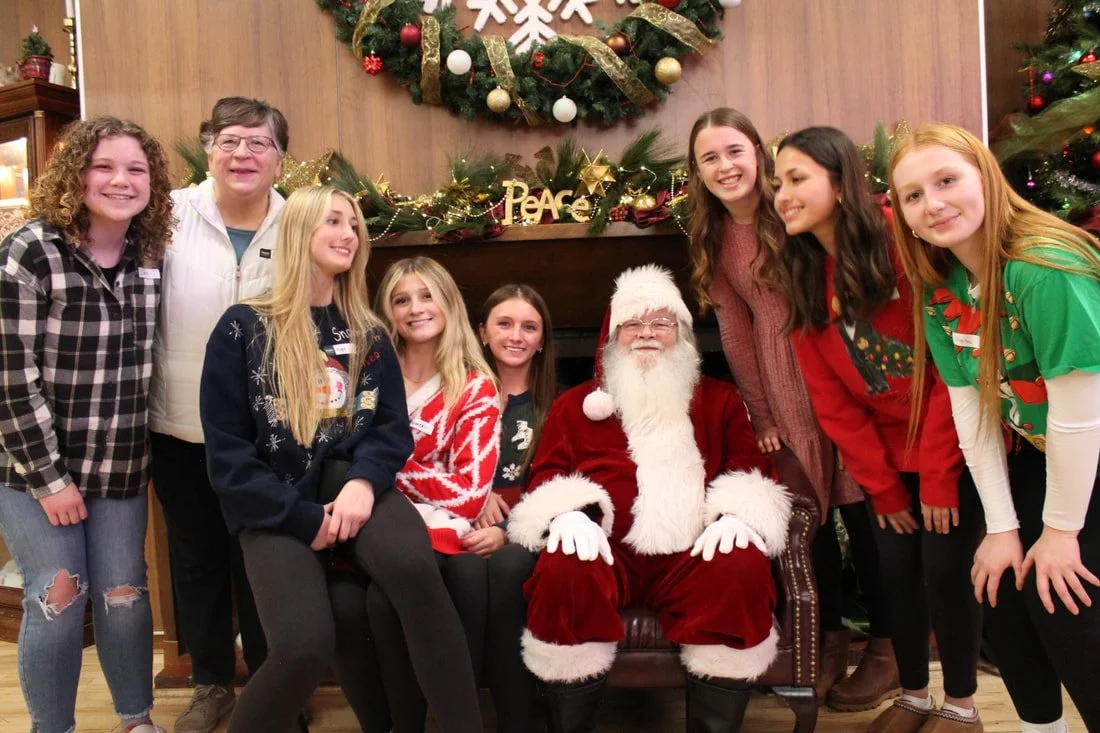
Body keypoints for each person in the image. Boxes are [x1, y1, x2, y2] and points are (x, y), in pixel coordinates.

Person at [199, 188, 482, 733]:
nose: (349, 234)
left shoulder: (369, 330)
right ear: (298, 231)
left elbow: (389, 431)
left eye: (353, 225)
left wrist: (363, 485)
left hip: (355, 486)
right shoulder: (242, 328)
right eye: (333, 221)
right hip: (275, 505)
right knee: (304, 647)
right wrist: (306, 521)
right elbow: (229, 459)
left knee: (416, 571)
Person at [507, 264, 792, 733]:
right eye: (633, 324)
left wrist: (739, 514)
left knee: (740, 567)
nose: (646, 334)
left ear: (680, 334)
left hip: (693, 555)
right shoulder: (574, 406)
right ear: (614, 335)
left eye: (661, 323)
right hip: (606, 552)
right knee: (563, 570)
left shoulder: (718, 400)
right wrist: (567, 513)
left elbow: (749, 468)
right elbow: (547, 474)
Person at [890, 122, 1100, 733]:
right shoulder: (940, 289)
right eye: (913, 195)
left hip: (1087, 434)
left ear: (985, 177)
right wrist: (1004, 529)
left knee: (1064, 596)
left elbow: (1081, 413)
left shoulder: (1044, 269)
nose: (933, 203)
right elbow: (972, 414)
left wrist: (1059, 533)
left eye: (947, 180)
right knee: (997, 583)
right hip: (1043, 445)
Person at [774, 126, 983, 732]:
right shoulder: (805, 272)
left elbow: (953, 369)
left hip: (953, 436)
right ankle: (914, 695)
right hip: (887, 458)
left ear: (840, 184)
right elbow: (832, 400)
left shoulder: (905, 240)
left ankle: (962, 706)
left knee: (946, 571)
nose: (782, 195)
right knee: (894, 572)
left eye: (796, 179)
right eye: (778, 183)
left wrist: (941, 476)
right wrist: (883, 486)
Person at [685, 107, 892, 708]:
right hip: (782, 388)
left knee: (866, 513)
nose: (726, 167)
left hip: (838, 370)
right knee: (810, 520)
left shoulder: (795, 207)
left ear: (758, 152)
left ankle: (884, 649)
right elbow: (737, 332)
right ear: (699, 172)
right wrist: (762, 412)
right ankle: (824, 642)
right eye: (710, 158)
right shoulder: (714, 237)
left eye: (734, 151)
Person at [0, 116, 175, 733]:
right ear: (75, 175)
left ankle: (136, 720)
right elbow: (10, 377)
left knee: (124, 594)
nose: (120, 181)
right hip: (32, 466)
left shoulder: (152, 255)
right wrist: (50, 479)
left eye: (135, 169)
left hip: (120, 462)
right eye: (103, 166)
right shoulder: (31, 250)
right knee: (59, 591)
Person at [149, 96, 287, 733]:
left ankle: (271, 687)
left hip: (271, 436)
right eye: (230, 140)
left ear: (281, 161)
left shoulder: (299, 224)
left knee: (263, 562)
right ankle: (210, 684)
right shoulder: (166, 216)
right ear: (208, 150)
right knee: (198, 559)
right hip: (181, 428)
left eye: (259, 143)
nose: (243, 154)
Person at [334, 256, 499, 733]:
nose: (415, 308)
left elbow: (468, 494)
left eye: (427, 295)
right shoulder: (369, 372)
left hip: (432, 534)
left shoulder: (474, 388)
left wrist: (380, 465)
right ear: (388, 310)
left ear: (449, 303)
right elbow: (339, 451)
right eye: (401, 299)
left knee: (385, 605)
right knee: (343, 606)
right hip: (363, 524)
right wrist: (413, 468)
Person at [466, 284, 558, 731]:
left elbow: (556, 486)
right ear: (483, 333)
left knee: (507, 569)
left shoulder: (557, 406)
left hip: (527, 529)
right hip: (461, 519)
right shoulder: (459, 394)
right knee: (463, 573)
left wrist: (507, 528)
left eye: (529, 326)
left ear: (542, 339)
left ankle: (515, 718)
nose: (516, 335)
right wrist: (476, 498)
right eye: (504, 324)